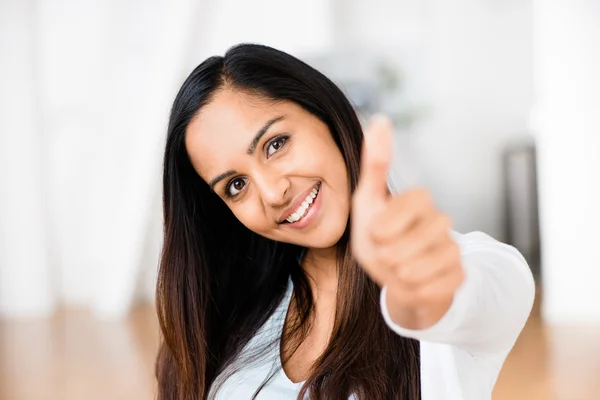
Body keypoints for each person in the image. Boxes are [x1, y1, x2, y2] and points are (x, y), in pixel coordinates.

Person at [155, 43, 535, 400]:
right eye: (236, 185)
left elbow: (487, 292)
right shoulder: (232, 304)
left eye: (276, 144)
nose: (273, 193)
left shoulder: (472, 265)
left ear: (330, 116)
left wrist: (419, 294)